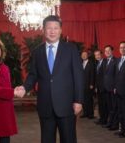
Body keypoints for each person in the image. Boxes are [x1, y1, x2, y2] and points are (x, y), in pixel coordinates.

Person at [20, 15, 84, 143]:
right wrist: (24, 87)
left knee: (69, 139)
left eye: (56, 28)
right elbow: (33, 75)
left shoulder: (70, 49)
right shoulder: (37, 51)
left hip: (66, 105)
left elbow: (78, 76)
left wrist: (78, 100)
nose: (52, 31)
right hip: (45, 105)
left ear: (60, 30)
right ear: (43, 30)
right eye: (49, 28)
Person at [102, 45, 119, 131]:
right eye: (105, 51)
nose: (107, 52)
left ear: (112, 51)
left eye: (108, 50)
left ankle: (115, 125)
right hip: (106, 88)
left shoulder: (116, 61)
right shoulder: (104, 61)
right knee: (109, 107)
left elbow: (117, 75)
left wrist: (115, 86)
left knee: (114, 107)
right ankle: (110, 123)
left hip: (113, 88)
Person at [93, 49, 108, 125]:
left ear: (101, 54)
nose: (97, 56)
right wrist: (96, 87)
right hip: (99, 88)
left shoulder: (105, 62)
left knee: (105, 105)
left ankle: (105, 120)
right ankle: (101, 119)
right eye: (95, 55)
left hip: (104, 88)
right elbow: (96, 77)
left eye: (98, 54)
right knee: (100, 104)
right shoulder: (97, 63)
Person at [80, 51, 95, 119]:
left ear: (87, 56)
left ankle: (90, 114)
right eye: (82, 55)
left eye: (85, 55)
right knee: (83, 100)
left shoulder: (91, 63)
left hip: (89, 84)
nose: (84, 56)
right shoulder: (80, 63)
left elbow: (92, 74)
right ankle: (85, 113)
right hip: (82, 85)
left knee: (89, 99)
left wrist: (91, 83)